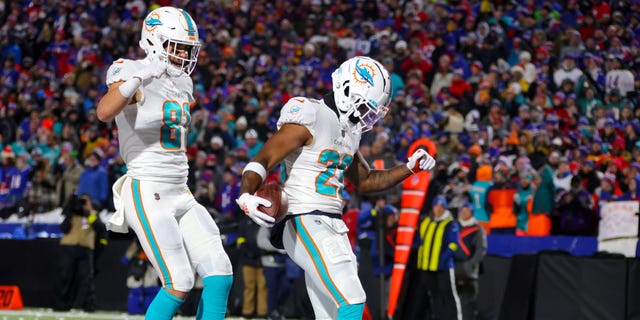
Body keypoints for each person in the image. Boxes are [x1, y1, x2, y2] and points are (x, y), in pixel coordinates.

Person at [236, 56, 436, 319]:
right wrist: (246, 193)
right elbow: (264, 158)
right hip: (304, 217)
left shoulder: (348, 130)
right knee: (353, 300)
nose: (367, 117)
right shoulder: (311, 114)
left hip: (331, 222)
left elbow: (366, 180)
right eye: (365, 108)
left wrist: (410, 168)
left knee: (331, 313)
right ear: (346, 91)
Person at [96, 7, 232, 320]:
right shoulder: (128, 68)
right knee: (180, 280)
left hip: (180, 189)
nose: (185, 55)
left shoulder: (183, 82)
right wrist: (139, 76)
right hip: (147, 188)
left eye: (188, 49)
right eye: (178, 47)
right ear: (154, 40)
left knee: (220, 272)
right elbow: (104, 112)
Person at [405, 195, 461, 320]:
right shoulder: (426, 222)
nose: (439, 208)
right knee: (431, 296)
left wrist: (443, 259)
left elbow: (453, 244)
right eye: (437, 205)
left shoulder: (450, 224)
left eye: (441, 206)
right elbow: (418, 241)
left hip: (443, 268)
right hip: (425, 267)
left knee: (448, 296)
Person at [53, 194, 108, 312]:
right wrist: (69, 211)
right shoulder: (72, 212)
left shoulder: (93, 214)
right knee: (65, 277)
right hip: (68, 247)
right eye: (81, 201)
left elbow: (100, 229)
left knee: (87, 279)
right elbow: (64, 228)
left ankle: (89, 305)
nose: (82, 204)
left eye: (85, 201)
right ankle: (61, 305)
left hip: (85, 248)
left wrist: (88, 213)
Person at [454, 203, 487, 320]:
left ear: (471, 213)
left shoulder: (477, 229)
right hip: (452, 270)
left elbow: (481, 249)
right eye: (462, 210)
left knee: (468, 305)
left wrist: (470, 265)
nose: (464, 212)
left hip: (468, 273)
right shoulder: (454, 227)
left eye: (467, 210)